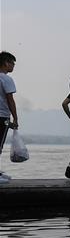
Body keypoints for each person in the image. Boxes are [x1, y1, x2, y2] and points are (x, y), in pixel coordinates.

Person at [0, 51, 17, 184]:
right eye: (12, 63)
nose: (13, 66)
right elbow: (10, 100)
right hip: (2, 115)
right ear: (6, 63)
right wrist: (15, 118)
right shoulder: (6, 79)